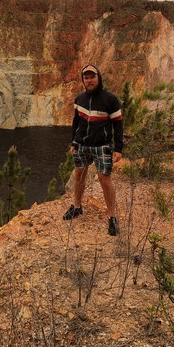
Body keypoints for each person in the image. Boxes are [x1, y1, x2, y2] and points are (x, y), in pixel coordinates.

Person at [63, 64, 123, 235]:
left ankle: (112, 217)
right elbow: (76, 123)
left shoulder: (110, 100)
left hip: (102, 145)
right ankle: (77, 206)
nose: (89, 80)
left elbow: (118, 125)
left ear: (98, 78)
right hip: (82, 144)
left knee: (105, 180)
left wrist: (118, 148)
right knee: (79, 175)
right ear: (83, 80)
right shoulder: (79, 99)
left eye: (92, 77)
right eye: (86, 77)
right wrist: (73, 142)